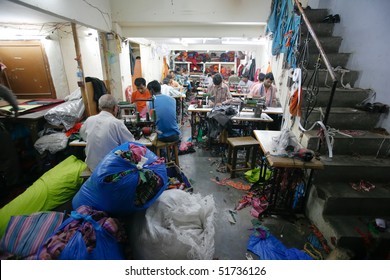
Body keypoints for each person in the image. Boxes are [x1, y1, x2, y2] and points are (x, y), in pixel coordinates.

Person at [80, 94, 135, 171]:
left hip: (92, 167)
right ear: (115, 108)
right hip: (110, 168)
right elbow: (131, 144)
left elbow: (83, 136)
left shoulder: (89, 120)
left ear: (99, 107)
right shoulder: (116, 123)